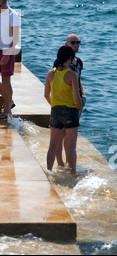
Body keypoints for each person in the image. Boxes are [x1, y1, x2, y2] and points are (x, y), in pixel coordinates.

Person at [44, 46, 82, 175]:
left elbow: (46, 95)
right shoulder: (72, 74)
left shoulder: (50, 73)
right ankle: (73, 174)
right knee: (71, 148)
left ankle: (48, 172)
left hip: (55, 111)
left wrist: (54, 105)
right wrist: (79, 108)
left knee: (53, 145)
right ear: (70, 58)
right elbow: (77, 97)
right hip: (70, 111)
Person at [54, 33, 86, 167]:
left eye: (78, 42)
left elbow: (78, 80)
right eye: (73, 42)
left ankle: (68, 162)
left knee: (70, 136)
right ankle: (62, 163)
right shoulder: (60, 62)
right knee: (62, 135)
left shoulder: (78, 62)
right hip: (66, 103)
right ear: (66, 44)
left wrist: (83, 96)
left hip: (77, 100)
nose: (76, 45)